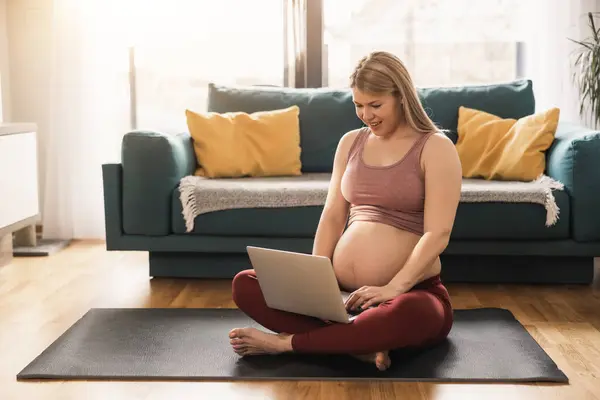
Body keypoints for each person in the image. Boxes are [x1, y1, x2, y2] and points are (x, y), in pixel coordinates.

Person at [228, 51, 463, 371]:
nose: (366, 115)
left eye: (375, 105)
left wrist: (394, 287)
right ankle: (356, 345)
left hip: (408, 294)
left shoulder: (435, 147)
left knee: (414, 315)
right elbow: (333, 216)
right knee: (246, 283)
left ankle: (288, 344)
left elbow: (438, 233)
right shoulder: (350, 142)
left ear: (401, 96)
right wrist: (315, 283)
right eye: (358, 105)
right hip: (338, 299)